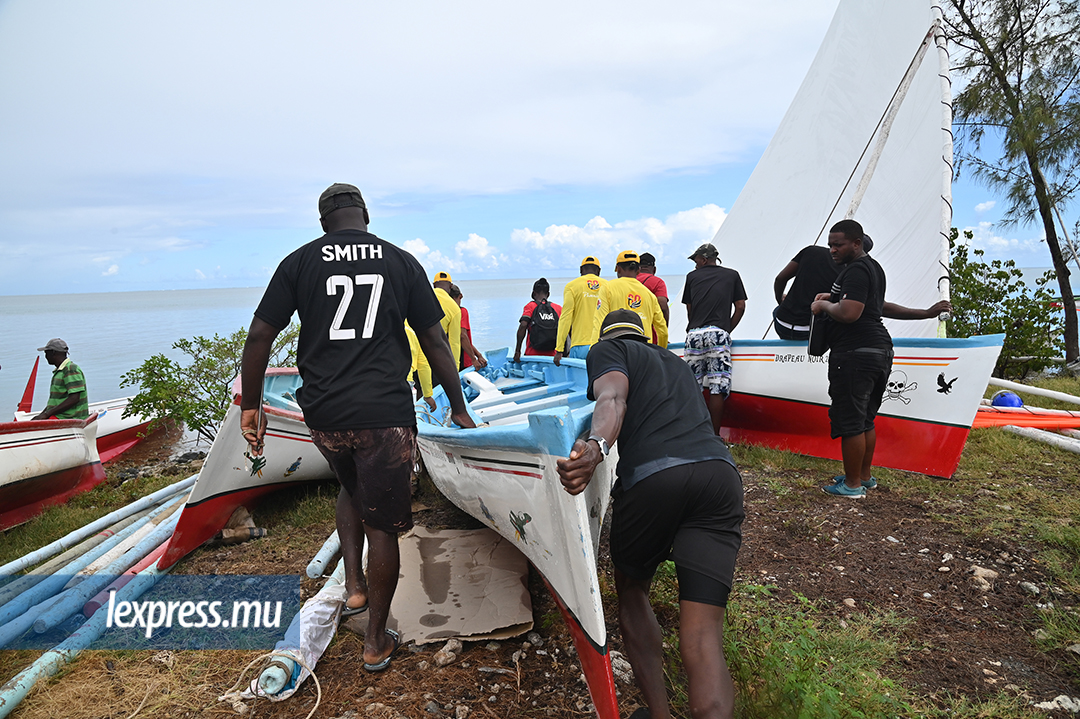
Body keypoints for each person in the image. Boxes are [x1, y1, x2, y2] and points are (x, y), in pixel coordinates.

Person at [238, 183, 475, 672]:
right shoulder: (401, 261)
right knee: (383, 526)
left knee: (350, 485)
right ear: (364, 216)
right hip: (383, 416)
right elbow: (433, 340)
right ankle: (374, 641)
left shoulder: (299, 262)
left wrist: (251, 404)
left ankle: (354, 589)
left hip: (324, 415)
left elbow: (261, 333)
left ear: (324, 222)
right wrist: (457, 406)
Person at [556, 309, 744, 719]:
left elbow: (612, 398)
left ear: (609, 337)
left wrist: (596, 447)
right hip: (719, 477)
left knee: (633, 590)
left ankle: (658, 713)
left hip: (655, 478)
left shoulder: (609, 350)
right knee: (703, 632)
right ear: (645, 335)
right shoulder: (675, 363)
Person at [810, 220, 950, 497]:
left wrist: (823, 305)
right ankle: (863, 476)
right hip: (879, 351)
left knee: (850, 419)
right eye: (830, 245)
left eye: (838, 245)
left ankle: (850, 486)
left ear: (856, 243)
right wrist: (925, 313)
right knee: (866, 419)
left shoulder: (856, 271)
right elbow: (879, 306)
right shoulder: (873, 268)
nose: (832, 250)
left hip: (855, 353)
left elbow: (850, 313)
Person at [682, 243, 747, 434]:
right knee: (717, 386)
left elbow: (689, 308)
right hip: (718, 333)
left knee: (693, 386)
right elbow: (741, 306)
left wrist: (695, 326)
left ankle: (693, 434)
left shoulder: (691, 277)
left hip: (694, 333)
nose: (694, 266)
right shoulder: (732, 274)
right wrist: (726, 329)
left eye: (696, 262)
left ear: (703, 259)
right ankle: (714, 436)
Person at [595, 251, 668, 349]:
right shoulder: (650, 295)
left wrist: (594, 349)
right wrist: (661, 350)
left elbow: (599, 322)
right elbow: (663, 331)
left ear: (618, 269)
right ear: (638, 270)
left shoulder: (607, 288)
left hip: (616, 349)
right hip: (644, 350)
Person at [772, 245, 840, 341]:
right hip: (809, 330)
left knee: (776, 310)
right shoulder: (850, 269)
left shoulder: (811, 251)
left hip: (783, 323)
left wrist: (780, 301)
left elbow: (780, 279)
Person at [554, 256, 607, 366]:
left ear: (581, 270)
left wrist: (559, 349)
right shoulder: (608, 286)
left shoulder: (572, 286)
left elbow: (565, 318)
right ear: (599, 271)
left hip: (579, 346)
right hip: (603, 345)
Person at [32, 338, 89, 420]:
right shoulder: (59, 371)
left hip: (69, 418)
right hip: (60, 416)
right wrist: (42, 415)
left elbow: (74, 398)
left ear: (53, 353)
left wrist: (46, 414)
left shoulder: (70, 369)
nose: (45, 357)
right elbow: (54, 403)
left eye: (46, 353)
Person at [514, 278, 562, 362]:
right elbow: (567, 330)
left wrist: (517, 351)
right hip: (553, 357)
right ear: (548, 294)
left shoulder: (530, 306)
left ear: (533, 293)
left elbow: (523, 325)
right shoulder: (557, 308)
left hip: (532, 355)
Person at [449, 284, 487, 370]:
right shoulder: (461, 311)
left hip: (447, 358)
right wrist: (474, 359)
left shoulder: (445, 312)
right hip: (462, 361)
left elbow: (463, 339)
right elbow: (462, 336)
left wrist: (478, 355)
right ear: (460, 296)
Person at [637, 252, 670, 344]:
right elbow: (663, 307)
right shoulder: (658, 282)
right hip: (651, 336)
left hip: (629, 333)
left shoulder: (629, 281)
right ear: (654, 269)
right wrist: (664, 334)